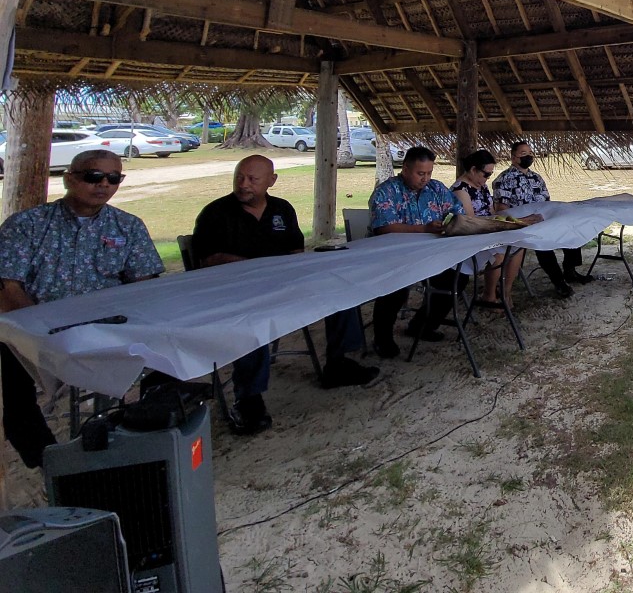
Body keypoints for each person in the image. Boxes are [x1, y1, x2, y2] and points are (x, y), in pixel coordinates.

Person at [191, 155, 377, 435]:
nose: (244, 184)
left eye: (253, 179)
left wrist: (288, 273)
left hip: (285, 284)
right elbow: (208, 260)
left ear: (271, 181)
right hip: (236, 291)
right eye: (239, 177)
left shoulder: (281, 209)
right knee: (253, 320)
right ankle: (248, 398)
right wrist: (258, 265)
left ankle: (337, 364)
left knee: (340, 292)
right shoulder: (215, 213)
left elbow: (294, 252)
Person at [0, 150, 163, 467]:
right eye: (93, 176)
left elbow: (145, 285)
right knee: (12, 381)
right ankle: (47, 460)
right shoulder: (27, 225)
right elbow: (8, 285)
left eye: (114, 178)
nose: (104, 184)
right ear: (69, 178)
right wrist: (37, 331)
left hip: (107, 329)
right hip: (35, 327)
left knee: (173, 354)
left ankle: (141, 432)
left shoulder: (127, 226)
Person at [368, 146, 464, 358]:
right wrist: (424, 228)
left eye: (429, 173)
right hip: (395, 256)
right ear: (405, 169)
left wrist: (451, 224)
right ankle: (382, 338)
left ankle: (421, 326)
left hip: (432, 254)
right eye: (420, 173)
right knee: (396, 288)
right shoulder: (386, 192)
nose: (425, 178)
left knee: (457, 279)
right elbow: (384, 227)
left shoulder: (437, 189)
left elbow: (458, 212)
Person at [492, 141, 593, 298]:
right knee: (543, 244)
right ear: (513, 157)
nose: (529, 156)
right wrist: (524, 220)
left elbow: (546, 201)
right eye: (524, 153)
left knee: (570, 229)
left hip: (542, 219)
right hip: (522, 224)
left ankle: (570, 270)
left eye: (530, 153)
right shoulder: (504, 179)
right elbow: (502, 211)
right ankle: (559, 282)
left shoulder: (536, 178)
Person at [452, 149, 521, 307]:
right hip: (473, 235)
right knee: (498, 254)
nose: (488, 178)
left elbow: (491, 211)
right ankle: (489, 295)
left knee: (519, 245)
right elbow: (471, 221)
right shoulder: (460, 190)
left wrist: (501, 222)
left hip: (488, 229)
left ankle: (505, 292)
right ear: (473, 169)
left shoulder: (481, 186)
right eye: (486, 174)